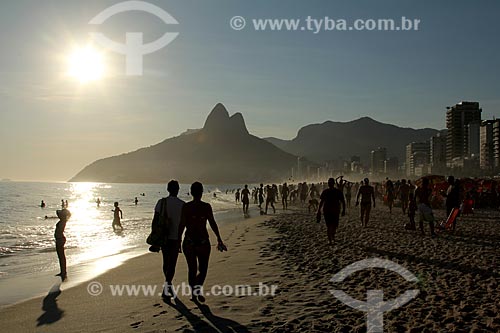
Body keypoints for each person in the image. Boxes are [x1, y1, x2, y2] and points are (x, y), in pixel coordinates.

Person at [178, 182, 227, 303]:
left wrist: (178, 240)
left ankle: (194, 294)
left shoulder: (186, 207)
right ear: (201, 192)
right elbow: (212, 223)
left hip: (188, 241)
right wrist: (219, 238)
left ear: (191, 192)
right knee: (203, 270)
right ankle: (197, 290)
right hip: (203, 242)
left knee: (192, 269)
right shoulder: (206, 206)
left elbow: (182, 225)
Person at [154, 180, 185, 299]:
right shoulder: (182, 204)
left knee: (165, 262)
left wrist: (154, 236)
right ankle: (167, 286)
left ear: (168, 189)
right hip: (175, 237)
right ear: (178, 189)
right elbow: (184, 223)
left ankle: (168, 286)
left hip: (163, 236)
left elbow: (155, 220)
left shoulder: (161, 202)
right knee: (172, 263)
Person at [317, 178, 346, 245]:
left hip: (328, 210)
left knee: (329, 226)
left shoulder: (326, 191)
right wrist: (343, 210)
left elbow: (321, 202)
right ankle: (331, 237)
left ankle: (330, 239)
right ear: (334, 184)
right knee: (334, 225)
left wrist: (319, 210)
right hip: (335, 210)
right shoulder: (337, 191)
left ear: (328, 184)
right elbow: (343, 202)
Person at [54, 208, 71, 281]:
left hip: (60, 239)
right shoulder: (63, 221)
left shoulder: (62, 222)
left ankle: (63, 272)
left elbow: (59, 230)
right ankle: (63, 271)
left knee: (61, 256)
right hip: (60, 239)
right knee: (61, 256)